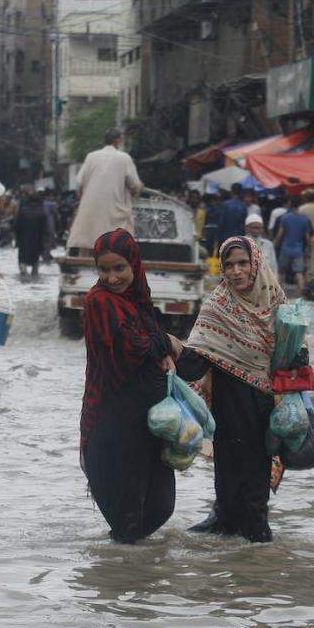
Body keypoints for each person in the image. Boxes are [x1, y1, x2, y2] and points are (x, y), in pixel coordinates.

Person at [177, 237, 286, 543]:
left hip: (265, 404)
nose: (236, 271)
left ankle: (256, 535)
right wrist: (166, 348)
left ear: (256, 264)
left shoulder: (276, 302)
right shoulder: (217, 306)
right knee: (227, 468)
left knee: (256, 471)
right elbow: (195, 360)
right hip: (227, 403)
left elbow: (294, 350)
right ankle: (225, 525)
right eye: (229, 265)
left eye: (243, 263)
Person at [79, 229, 178, 543]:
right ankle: (119, 585)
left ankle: (128, 579)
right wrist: (166, 343)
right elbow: (132, 346)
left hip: (148, 426)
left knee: (161, 507)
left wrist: (166, 348)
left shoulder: (139, 302)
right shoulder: (99, 301)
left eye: (119, 268)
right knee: (128, 524)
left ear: (134, 265)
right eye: (104, 269)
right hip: (113, 427)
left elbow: (153, 346)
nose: (111, 277)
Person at [65, 128, 143, 253]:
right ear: (118, 141)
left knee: (87, 248)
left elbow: (78, 183)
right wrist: (139, 188)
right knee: (115, 248)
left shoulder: (91, 157)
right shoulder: (124, 158)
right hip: (114, 216)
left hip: (89, 216)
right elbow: (134, 184)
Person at [273, 195, 313, 295]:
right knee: (299, 272)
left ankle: (278, 293)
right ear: (299, 205)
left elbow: (280, 234)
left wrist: (275, 245)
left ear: (290, 204)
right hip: (298, 250)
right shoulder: (304, 219)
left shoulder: (285, 218)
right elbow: (307, 237)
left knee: (281, 272)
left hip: (285, 248)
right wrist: (309, 249)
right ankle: (301, 293)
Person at [15, 190, 48, 276]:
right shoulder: (42, 212)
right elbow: (45, 230)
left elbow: (16, 227)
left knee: (22, 262)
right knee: (35, 265)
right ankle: (33, 274)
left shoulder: (22, 211)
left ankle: (23, 271)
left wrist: (17, 240)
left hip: (23, 241)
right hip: (37, 242)